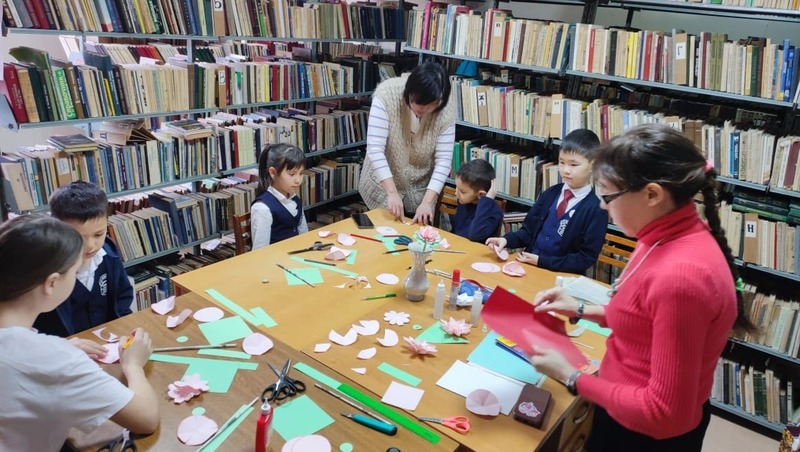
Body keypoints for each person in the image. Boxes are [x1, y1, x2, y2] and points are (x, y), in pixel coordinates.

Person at [530, 124, 753, 451]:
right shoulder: (660, 231)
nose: (602, 206)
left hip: (643, 436)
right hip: (620, 403)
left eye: (608, 196)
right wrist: (581, 309)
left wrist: (572, 376)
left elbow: (664, 413)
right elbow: (644, 317)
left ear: (652, 194)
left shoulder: (682, 278)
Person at [0, 215, 159, 451]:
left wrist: (61, 350)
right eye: (75, 272)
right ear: (52, 283)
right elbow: (146, 418)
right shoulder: (54, 360)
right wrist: (134, 365)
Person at [485, 129, 607, 274]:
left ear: (593, 165)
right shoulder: (550, 193)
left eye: (573, 165)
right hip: (528, 268)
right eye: (561, 162)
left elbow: (585, 259)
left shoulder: (597, 210)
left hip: (561, 277)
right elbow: (527, 232)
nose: (565, 170)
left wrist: (541, 261)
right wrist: (506, 240)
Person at [34, 181, 133, 347]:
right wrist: (64, 346)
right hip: (65, 349)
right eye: (79, 237)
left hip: (108, 340)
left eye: (98, 234)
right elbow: (35, 326)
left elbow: (123, 294)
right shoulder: (43, 270)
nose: (90, 245)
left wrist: (122, 325)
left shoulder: (109, 255)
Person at [359, 61, 456, 225]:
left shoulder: (445, 108)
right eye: (419, 102)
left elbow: (444, 161)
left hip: (419, 190)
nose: (423, 109)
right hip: (381, 186)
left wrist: (427, 202)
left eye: (430, 105)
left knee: (414, 236)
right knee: (382, 232)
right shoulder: (387, 94)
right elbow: (375, 149)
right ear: (410, 91)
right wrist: (392, 192)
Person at [251, 143, 308, 250]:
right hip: (275, 258)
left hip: (297, 255)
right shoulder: (262, 208)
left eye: (301, 173)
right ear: (273, 173)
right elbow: (259, 251)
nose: (298, 180)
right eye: (292, 174)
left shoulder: (294, 198)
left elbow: (304, 234)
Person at [451, 159, 503, 243]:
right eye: (456, 187)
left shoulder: (494, 212)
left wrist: (486, 201)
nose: (456, 193)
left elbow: (475, 236)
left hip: (476, 249)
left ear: (481, 194)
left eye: (462, 192)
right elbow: (457, 230)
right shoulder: (464, 201)